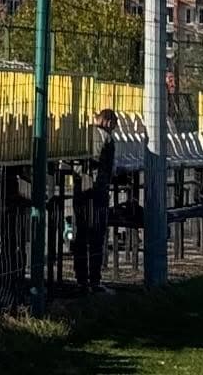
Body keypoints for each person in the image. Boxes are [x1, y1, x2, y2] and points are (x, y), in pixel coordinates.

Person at [73, 107, 117, 292]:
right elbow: (108, 167)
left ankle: (81, 277)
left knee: (81, 233)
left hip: (80, 188)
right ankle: (95, 278)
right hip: (98, 190)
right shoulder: (107, 138)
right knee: (97, 235)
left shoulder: (80, 134)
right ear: (108, 121)